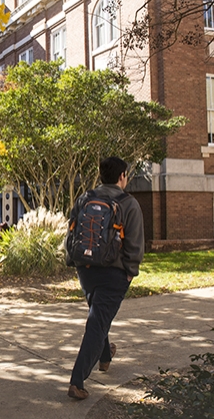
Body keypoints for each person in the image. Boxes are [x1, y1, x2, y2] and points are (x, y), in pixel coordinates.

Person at [65, 156, 145, 400]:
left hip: (85, 269)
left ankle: (105, 357)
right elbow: (135, 242)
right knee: (97, 323)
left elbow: (71, 229)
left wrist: (76, 261)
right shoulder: (129, 203)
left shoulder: (85, 198)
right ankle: (77, 381)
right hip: (114, 273)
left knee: (98, 314)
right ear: (122, 176)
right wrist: (130, 272)